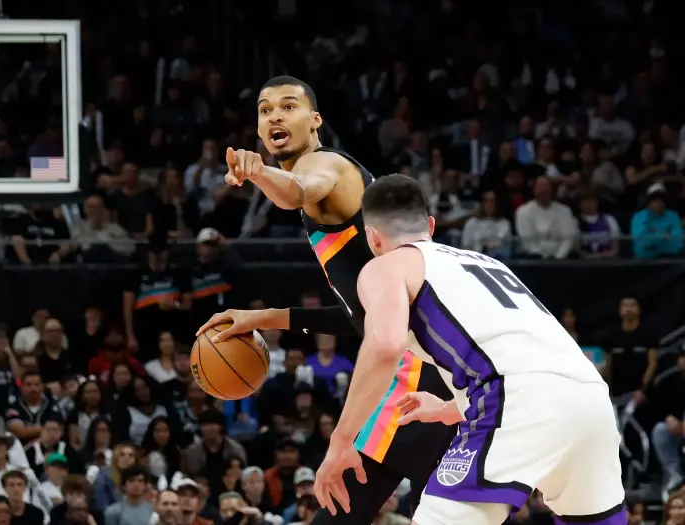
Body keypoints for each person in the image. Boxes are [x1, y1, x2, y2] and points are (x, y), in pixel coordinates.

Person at [197, 75, 458, 525]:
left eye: (288, 106)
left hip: (421, 373)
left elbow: (298, 190)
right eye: (265, 110)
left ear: (315, 120)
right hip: (443, 369)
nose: (275, 116)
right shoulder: (332, 190)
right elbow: (359, 317)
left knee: (343, 511)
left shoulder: (327, 168)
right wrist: (262, 318)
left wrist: (258, 172)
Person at [314, 174, 625, 525]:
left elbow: (385, 346)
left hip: (516, 400)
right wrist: (452, 407)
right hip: (591, 397)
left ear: (372, 236)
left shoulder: (385, 266)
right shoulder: (486, 263)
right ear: (431, 226)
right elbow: (522, 355)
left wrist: (341, 440)